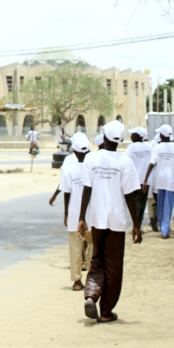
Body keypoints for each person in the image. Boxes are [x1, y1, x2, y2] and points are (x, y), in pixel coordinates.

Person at [78, 121, 142, 323]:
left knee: (97, 260)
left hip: (97, 218)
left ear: (103, 136)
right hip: (116, 220)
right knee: (113, 265)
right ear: (121, 141)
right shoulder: (125, 162)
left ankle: (91, 295)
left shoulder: (91, 158)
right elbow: (131, 195)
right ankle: (106, 312)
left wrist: (82, 217)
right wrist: (136, 225)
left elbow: (86, 189)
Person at [59, 132, 92, 291]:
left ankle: (77, 281)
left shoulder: (69, 169)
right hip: (92, 215)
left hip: (74, 214)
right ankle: (93, 276)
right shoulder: (93, 167)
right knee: (93, 245)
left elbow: (66, 193)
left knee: (75, 247)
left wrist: (66, 213)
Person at [142, 124, 174, 239]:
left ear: (161, 135)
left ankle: (164, 229)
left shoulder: (157, 148)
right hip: (171, 181)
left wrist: (145, 179)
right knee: (168, 205)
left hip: (160, 180)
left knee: (162, 205)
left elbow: (151, 163)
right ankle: (164, 228)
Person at [123, 127, 152, 231]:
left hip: (134, 180)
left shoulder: (131, 147)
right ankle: (138, 225)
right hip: (145, 180)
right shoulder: (149, 147)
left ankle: (136, 225)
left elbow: (125, 160)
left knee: (134, 203)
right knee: (141, 204)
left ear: (138, 136)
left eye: (133, 134)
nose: (131, 136)